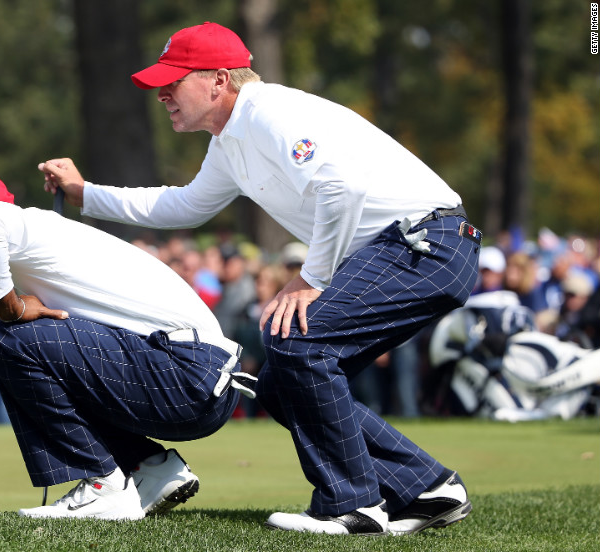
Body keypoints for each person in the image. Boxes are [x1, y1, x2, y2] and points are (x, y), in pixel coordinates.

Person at [39, 22, 480, 535]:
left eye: (174, 81)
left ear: (219, 80)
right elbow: (182, 205)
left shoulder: (268, 111)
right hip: (417, 247)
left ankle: (353, 506)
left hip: (428, 242)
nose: (162, 93)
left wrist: (310, 278)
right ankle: (426, 487)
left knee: (298, 343)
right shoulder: (231, 139)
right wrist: (85, 193)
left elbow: (341, 186)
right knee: (280, 382)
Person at [0, 168, 250, 521]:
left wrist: (13, 308)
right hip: (199, 378)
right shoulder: (34, 237)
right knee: (29, 340)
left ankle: (104, 485)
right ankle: (149, 468)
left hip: (189, 375)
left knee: (8, 336)